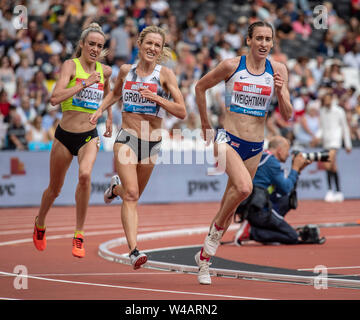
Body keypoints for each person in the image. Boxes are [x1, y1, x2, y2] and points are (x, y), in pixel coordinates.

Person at [194, 21, 293, 285]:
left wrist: (282, 91)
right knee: (244, 188)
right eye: (259, 38)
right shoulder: (231, 66)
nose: (263, 43)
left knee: (232, 201)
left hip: (255, 146)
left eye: (268, 39)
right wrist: (205, 124)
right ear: (248, 40)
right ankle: (213, 240)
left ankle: (204, 258)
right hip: (227, 138)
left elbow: (288, 114)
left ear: (272, 43)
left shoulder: (278, 70)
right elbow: (200, 87)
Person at [89, 26, 186, 270]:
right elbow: (114, 94)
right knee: (131, 196)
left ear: (161, 50)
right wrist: (101, 110)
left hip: (152, 143)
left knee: (133, 195)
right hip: (127, 139)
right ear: (140, 44)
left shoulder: (165, 75)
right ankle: (133, 251)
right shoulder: (126, 71)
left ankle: (115, 188)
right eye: (149, 43)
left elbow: (182, 111)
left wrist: (158, 99)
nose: (153, 48)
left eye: (158, 45)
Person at [33, 23, 112, 258]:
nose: (95, 49)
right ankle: (40, 222)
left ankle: (79, 234)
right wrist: (83, 83)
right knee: (54, 189)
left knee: (85, 176)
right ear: (82, 45)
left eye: (99, 46)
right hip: (65, 136)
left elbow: (110, 93)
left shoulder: (105, 71)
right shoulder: (71, 66)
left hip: (89, 135)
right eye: (92, 44)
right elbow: (54, 98)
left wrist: (107, 117)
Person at [233, 135, 314, 246]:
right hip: (257, 209)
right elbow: (285, 188)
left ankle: (257, 227)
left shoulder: (262, 156)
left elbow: (283, 189)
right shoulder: (271, 162)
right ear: (279, 150)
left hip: (249, 206)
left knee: (287, 200)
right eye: (287, 150)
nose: (289, 154)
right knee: (292, 237)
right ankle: (252, 231)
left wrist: (298, 171)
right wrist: (295, 168)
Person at [312, 93, 352, 202]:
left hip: (335, 141)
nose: (327, 101)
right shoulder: (322, 112)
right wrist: (316, 137)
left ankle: (330, 190)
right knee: (332, 167)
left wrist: (348, 144)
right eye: (325, 99)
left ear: (332, 99)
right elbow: (322, 128)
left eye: (328, 99)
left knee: (328, 163)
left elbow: (344, 127)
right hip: (326, 142)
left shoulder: (339, 111)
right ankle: (338, 192)